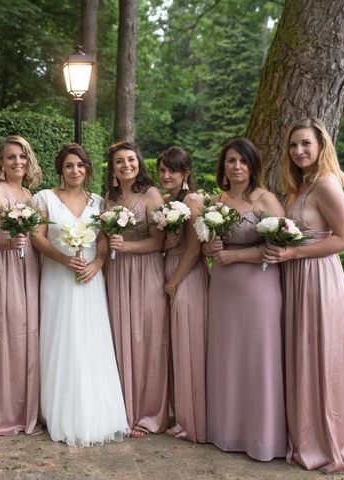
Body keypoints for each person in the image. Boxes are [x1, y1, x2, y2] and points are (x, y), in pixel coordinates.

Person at [264, 117, 344, 473]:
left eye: (306, 144)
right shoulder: (298, 188)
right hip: (295, 277)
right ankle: (305, 436)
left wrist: (293, 253)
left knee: (319, 352)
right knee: (301, 354)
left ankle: (328, 440)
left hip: (318, 277)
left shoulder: (325, 184)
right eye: (293, 145)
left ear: (321, 147)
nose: (299, 150)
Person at [31, 143, 128, 447]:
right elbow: (37, 237)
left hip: (89, 278)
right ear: (60, 169)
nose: (75, 171)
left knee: (90, 340)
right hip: (57, 276)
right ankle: (59, 412)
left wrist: (98, 264)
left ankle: (96, 412)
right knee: (60, 339)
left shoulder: (98, 201)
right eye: (69, 166)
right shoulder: (44, 198)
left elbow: (102, 239)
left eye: (80, 166)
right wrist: (62, 259)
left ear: (88, 170)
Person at [203, 138, 287, 461]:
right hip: (223, 288)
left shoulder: (264, 199)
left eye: (242, 161)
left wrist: (235, 258)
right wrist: (211, 248)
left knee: (257, 357)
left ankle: (262, 438)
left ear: (252, 165)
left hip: (258, 287)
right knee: (227, 356)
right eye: (230, 161)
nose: (236, 167)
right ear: (223, 166)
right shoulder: (217, 201)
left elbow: (278, 248)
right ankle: (227, 431)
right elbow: (211, 243)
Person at [103, 141, 169, 437]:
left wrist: (126, 246)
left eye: (131, 159)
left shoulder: (151, 194)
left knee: (147, 338)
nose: (126, 165)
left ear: (139, 162)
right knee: (118, 337)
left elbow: (159, 241)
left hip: (146, 272)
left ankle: (146, 414)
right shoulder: (109, 198)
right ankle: (121, 410)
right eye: (119, 161)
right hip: (116, 274)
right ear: (113, 168)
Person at [0, 136, 42, 436]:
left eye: (22, 157)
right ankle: (6, 411)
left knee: (29, 334)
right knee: (8, 334)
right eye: (11, 157)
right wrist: (6, 243)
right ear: (1, 162)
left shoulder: (30, 195)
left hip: (30, 267)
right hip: (5, 271)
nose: (18, 162)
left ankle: (28, 407)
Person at [157, 146, 208, 443]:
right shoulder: (167, 201)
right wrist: (165, 243)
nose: (165, 175)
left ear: (185, 173)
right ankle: (180, 413)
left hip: (187, 275)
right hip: (169, 268)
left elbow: (194, 248)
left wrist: (174, 282)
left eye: (172, 170)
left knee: (189, 345)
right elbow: (168, 243)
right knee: (176, 347)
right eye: (162, 170)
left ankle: (193, 421)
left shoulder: (192, 200)